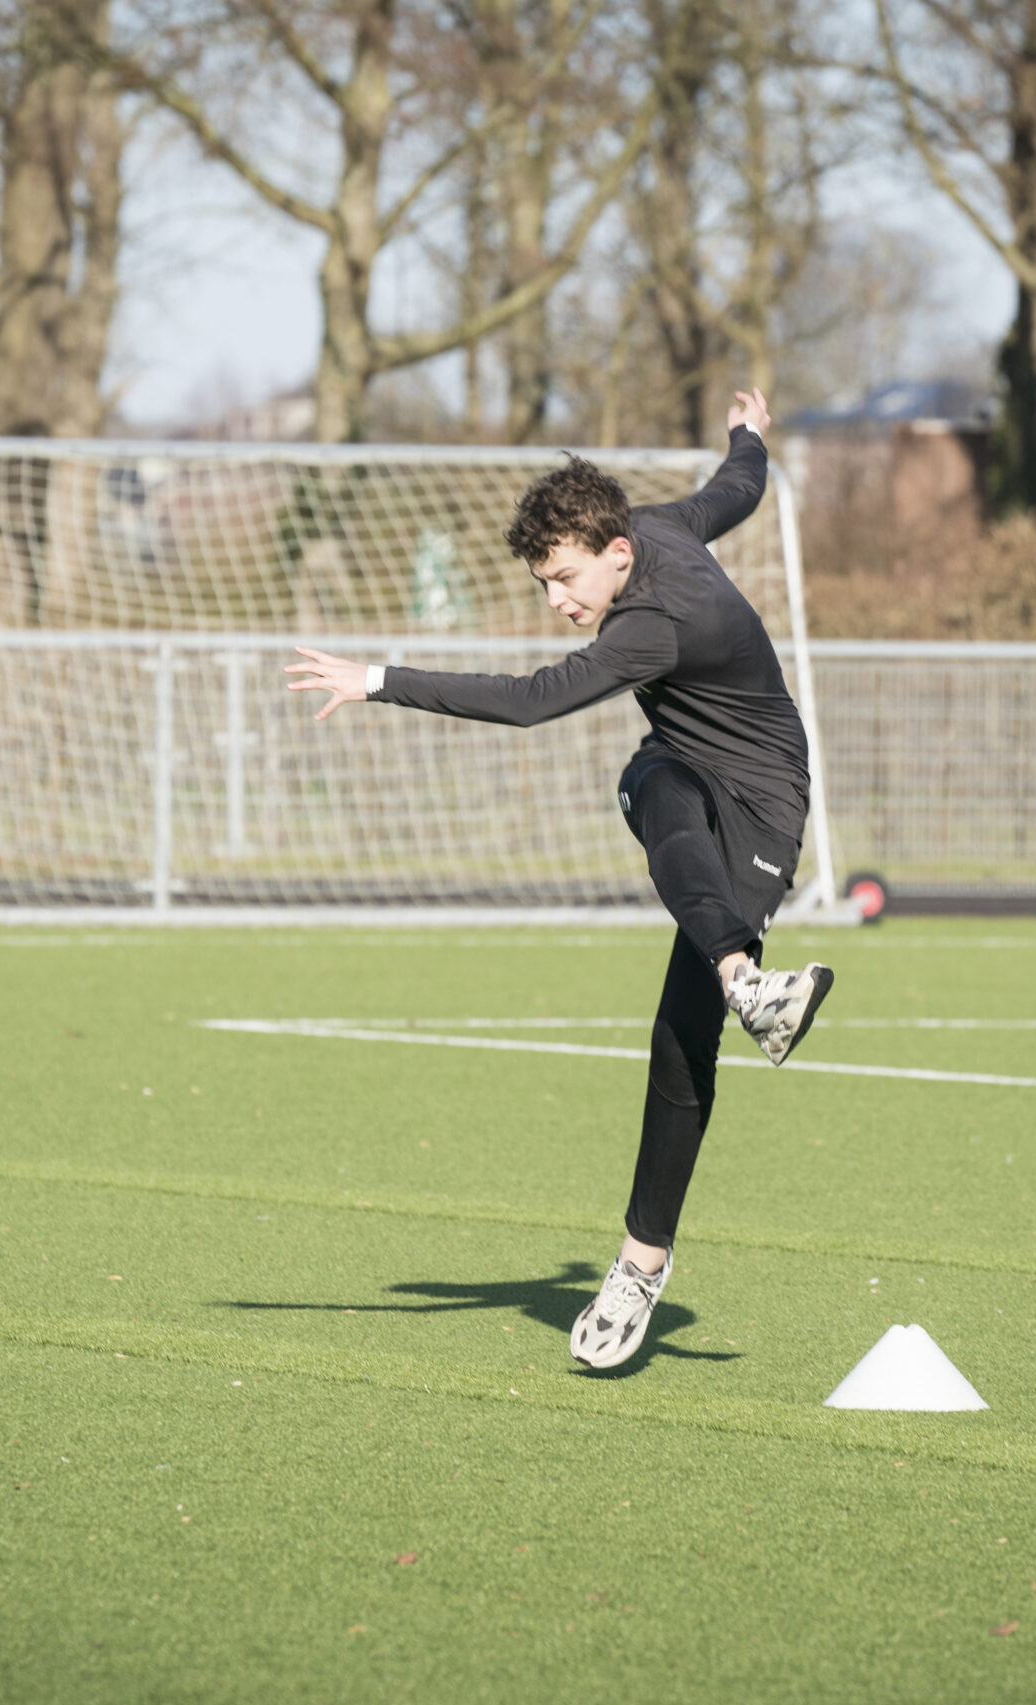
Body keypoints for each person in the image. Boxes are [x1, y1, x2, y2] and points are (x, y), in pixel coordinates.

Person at [285, 388, 833, 1371]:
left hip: (764, 811)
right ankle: (744, 979)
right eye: (544, 582)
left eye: (565, 579)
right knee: (654, 779)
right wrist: (749, 434)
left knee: (679, 1039)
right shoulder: (658, 527)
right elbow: (735, 490)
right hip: (692, 780)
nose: (557, 601)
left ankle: (639, 1261)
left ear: (615, 553)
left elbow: (532, 701)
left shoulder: (652, 625)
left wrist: (379, 680)